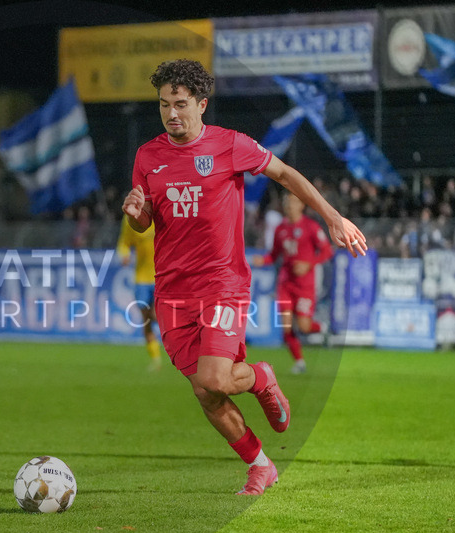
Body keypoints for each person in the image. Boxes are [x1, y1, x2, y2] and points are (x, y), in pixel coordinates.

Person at [121, 59, 366, 495]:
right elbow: (145, 222)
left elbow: (285, 174)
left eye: (180, 105)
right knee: (205, 393)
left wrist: (332, 216)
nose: (171, 114)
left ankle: (261, 377)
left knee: (216, 378)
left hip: (222, 283)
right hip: (173, 291)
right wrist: (135, 213)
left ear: (201, 104)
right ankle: (260, 464)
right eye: (163, 105)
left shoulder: (230, 145)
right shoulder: (148, 156)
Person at [252, 192, 334, 374]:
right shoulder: (280, 228)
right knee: (286, 326)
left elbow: (327, 251)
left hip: (305, 285)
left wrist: (308, 264)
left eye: (293, 202)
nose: (289, 206)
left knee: (304, 327)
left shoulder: (310, 226)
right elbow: (274, 256)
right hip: (285, 284)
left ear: (301, 205)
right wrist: (262, 261)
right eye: (286, 202)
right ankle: (299, 362)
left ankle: (323, 328)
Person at [116, 215, 162, 370]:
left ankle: (182, 347)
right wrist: (124, 254)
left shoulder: (162, 213)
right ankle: (156, 359)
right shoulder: (131, 217)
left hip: (162, 275)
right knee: (146, 319)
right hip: (141, 278)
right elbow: (124, 242)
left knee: (157, 315)